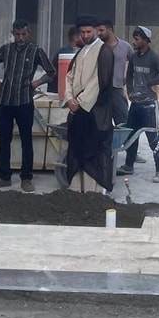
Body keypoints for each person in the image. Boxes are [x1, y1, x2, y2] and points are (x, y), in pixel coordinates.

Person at [0, 19, 56, 193]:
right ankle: (4, 177)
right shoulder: (6, 50)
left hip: (24, 101)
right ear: (13, 33)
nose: (21, 37)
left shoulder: (36, 51)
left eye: (23, 34)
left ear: (28, 33)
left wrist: (37, 82)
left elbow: (51, 71)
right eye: (17, 34)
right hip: (5, 101)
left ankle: (26, 178)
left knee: (26, 140)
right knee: (4, 140)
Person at [64, 15, 115, 193]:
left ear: (95, 30)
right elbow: (69, 76)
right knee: (77, 151)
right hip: (78, 112)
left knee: (94, 154)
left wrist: (79, 102)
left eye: (88, 32)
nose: (85, 35)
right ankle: (76, 191)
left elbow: (100, 81)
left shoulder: (104, 51)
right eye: (82, 32)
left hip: (95, 113)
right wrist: (69, 98)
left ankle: (93, 194)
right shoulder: (81, 52)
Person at [117, 26, 159, 183]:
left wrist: (151, 83)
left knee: (153, 138)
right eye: (134, 39)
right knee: (131, 136)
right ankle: (129, 165)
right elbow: (129, 75)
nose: (134, 42)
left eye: (137, 39)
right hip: (135, 104)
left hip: (149, 106)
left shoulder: (154, 58)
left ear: (146, 41)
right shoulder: (134, 58)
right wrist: (130, 91)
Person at [97, 19, 133, 126]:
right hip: (100, 91)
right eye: (98, 31)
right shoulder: (98, 47)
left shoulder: (125, 47)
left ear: (110, 29)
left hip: (117, 89)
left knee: (123, 122)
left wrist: (127, 79)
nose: (99, 33)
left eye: (101, 30)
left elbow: (134, 64)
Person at [47, 26, 82, 94]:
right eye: (82, 34)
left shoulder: (76, 51)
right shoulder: (66, 53)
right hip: (58, 91)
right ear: (75, 38)